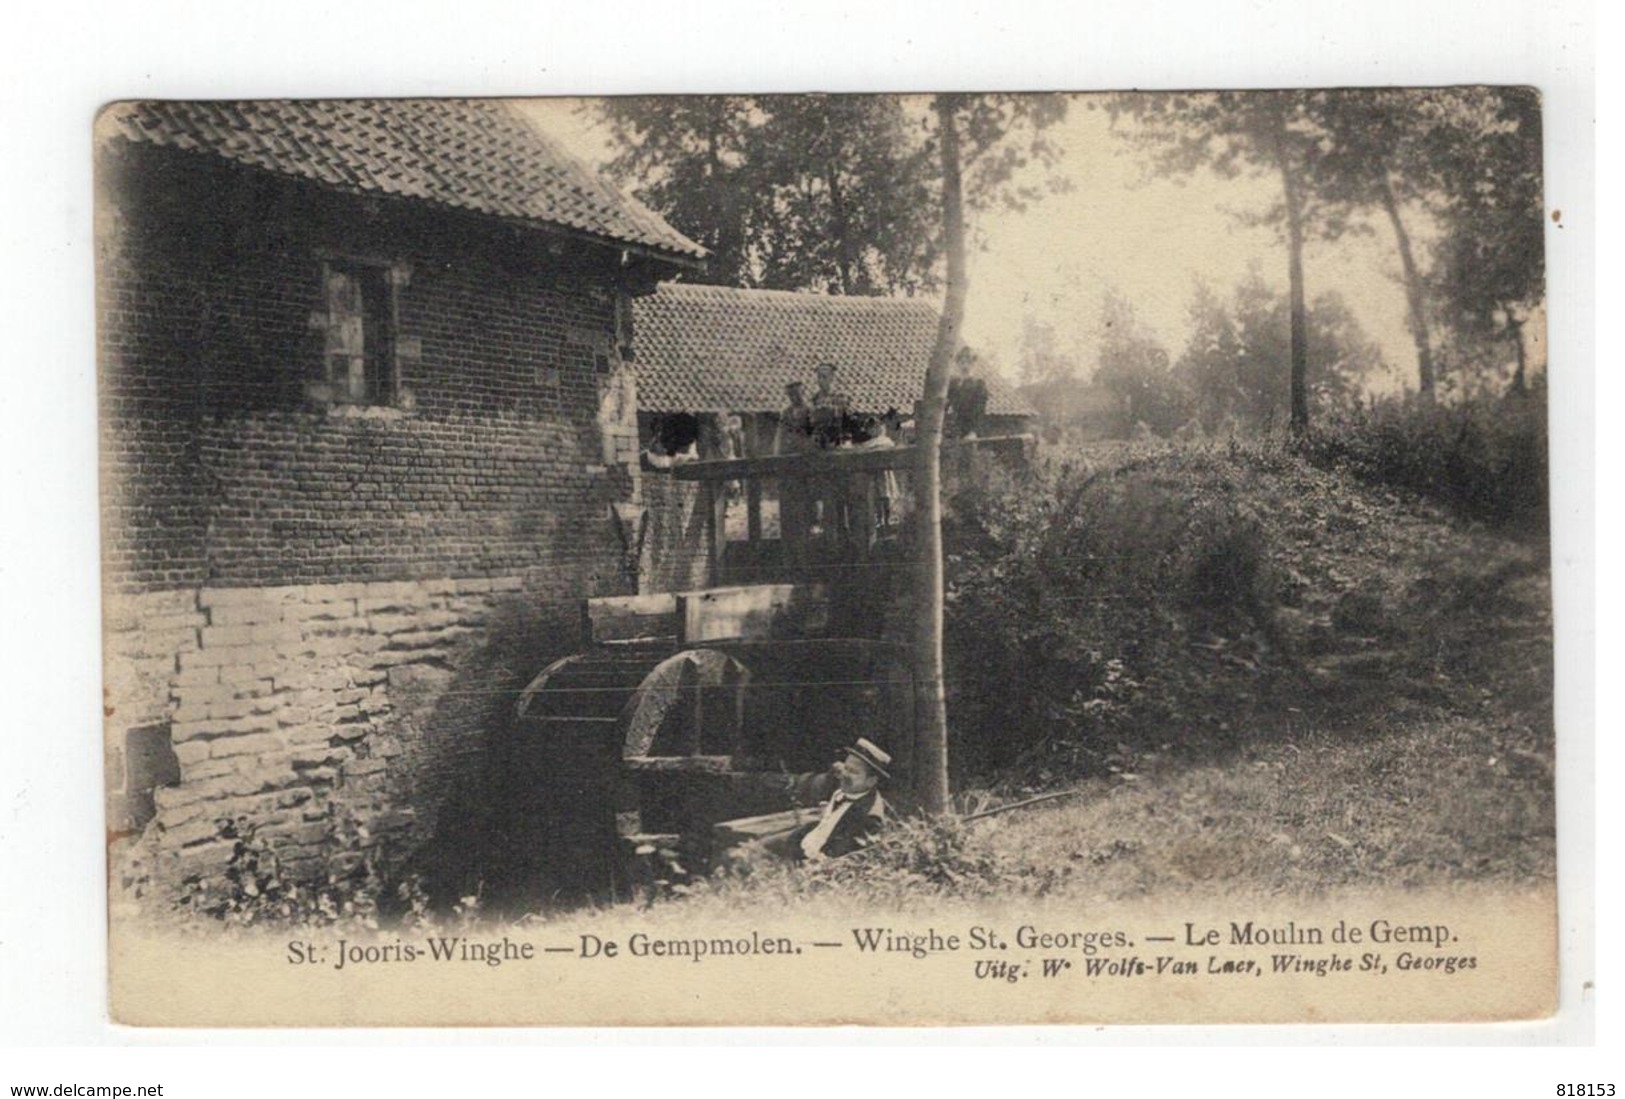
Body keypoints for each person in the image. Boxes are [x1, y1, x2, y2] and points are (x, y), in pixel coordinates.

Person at [784, 738, 892, 862]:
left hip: (814, 860)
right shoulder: (850, 785)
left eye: (854, 772)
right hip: (806, 839)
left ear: (871, 781)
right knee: (758, 847)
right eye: (846, 768)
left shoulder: (869, 817)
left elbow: (838, 857)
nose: (845, 775)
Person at [809, 361, 853, 450]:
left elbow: (846, 418)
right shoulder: (815, 398)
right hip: (819, 442)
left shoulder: (840, 396)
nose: (821, 380)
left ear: (831, 378)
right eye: (819, 377)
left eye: (824, 377)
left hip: (837, 440)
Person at [773, 381, 814, 455]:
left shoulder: (809, 410)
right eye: (791, 395)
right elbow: (781, 433)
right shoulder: (786, 412)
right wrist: (778, 451)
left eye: (796, 394)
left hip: (805, 450)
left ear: (802, 393)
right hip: (790, 449)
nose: (794, 397)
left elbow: (813, 432)